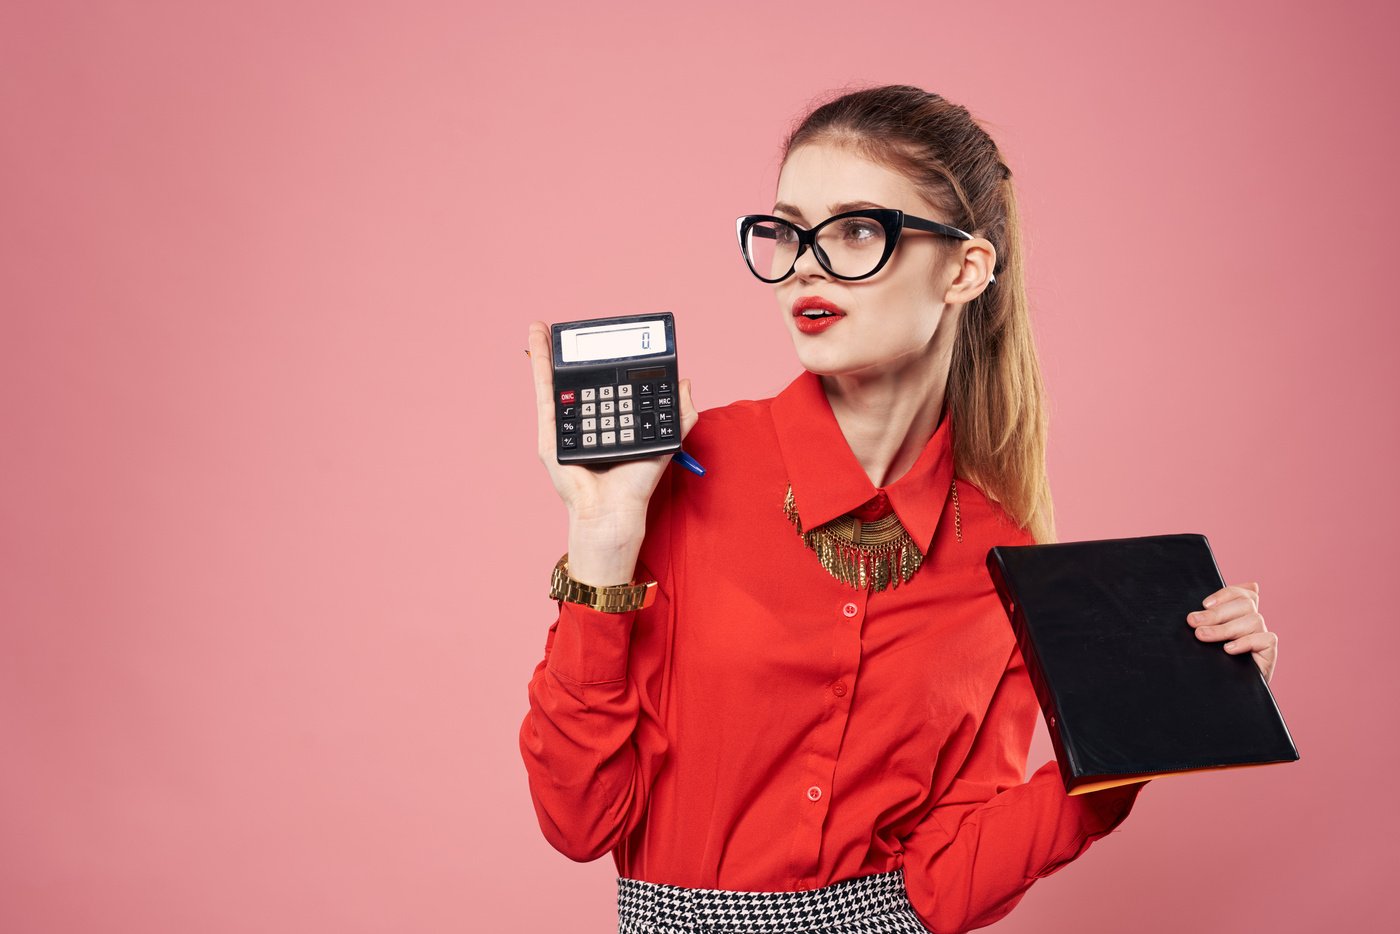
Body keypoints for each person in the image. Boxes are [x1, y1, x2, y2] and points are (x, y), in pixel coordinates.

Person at [519, 84, 1279, 934]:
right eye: (787, 230)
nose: (805, 263)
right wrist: (602, 536)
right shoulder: (684, 475)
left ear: (965, 269)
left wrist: (1146, 732)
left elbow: (945, 881)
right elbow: (580, 822)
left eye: (855, 231)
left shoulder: (1002, 543)